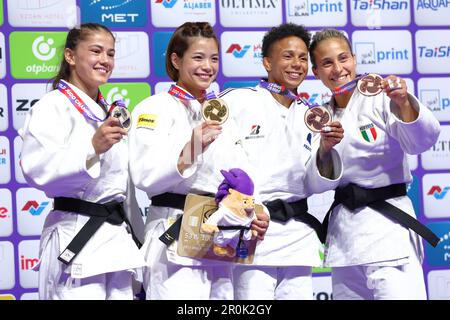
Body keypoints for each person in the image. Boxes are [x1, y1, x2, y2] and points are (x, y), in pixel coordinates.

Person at [128, 22, 269, 300]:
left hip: (220, 235)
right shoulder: (154, 108)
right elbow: (144, 176)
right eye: (198, 57)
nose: (208, 66)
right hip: (175, 229)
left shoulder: (219, 112)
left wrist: (255, 210)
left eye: (214, 58)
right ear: (176, 60)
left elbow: (241, 171)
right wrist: (191, 148)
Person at [309, 28, 441, 299]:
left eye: (343, 58)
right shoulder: (321, 117)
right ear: (316, 72)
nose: (338, 68)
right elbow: (317, 180)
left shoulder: (381, 97)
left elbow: (420, 142)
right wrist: (324, 149)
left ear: (354, 59)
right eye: (327, 63)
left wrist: (404, 102)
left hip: (388, 228)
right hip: (345, 236)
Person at [19, 23, 146, 300]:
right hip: (75, 234)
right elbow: (36, 169)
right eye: (96, 51)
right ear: (71, 56)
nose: (105, 60)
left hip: (117, 240)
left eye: (111, 54)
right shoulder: (52, 106)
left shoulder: (109, 112)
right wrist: (91, 148)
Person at [219, 23, 344, 300]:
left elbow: (316, 183)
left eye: (302, 57)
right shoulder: (237, 102)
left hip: (297, 234)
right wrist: (247, 210)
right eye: (288, 56)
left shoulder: (313, 115)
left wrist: (325, 150)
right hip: (253, 230)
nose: (296, 64)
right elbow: (220, 164)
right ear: (267, 61)